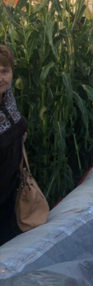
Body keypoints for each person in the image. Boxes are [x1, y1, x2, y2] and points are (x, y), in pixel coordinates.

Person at [0, 45, 27, 246]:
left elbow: (17, 126)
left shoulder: (8, 99)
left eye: (4, 71)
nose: (1, 78)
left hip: (12, 189)